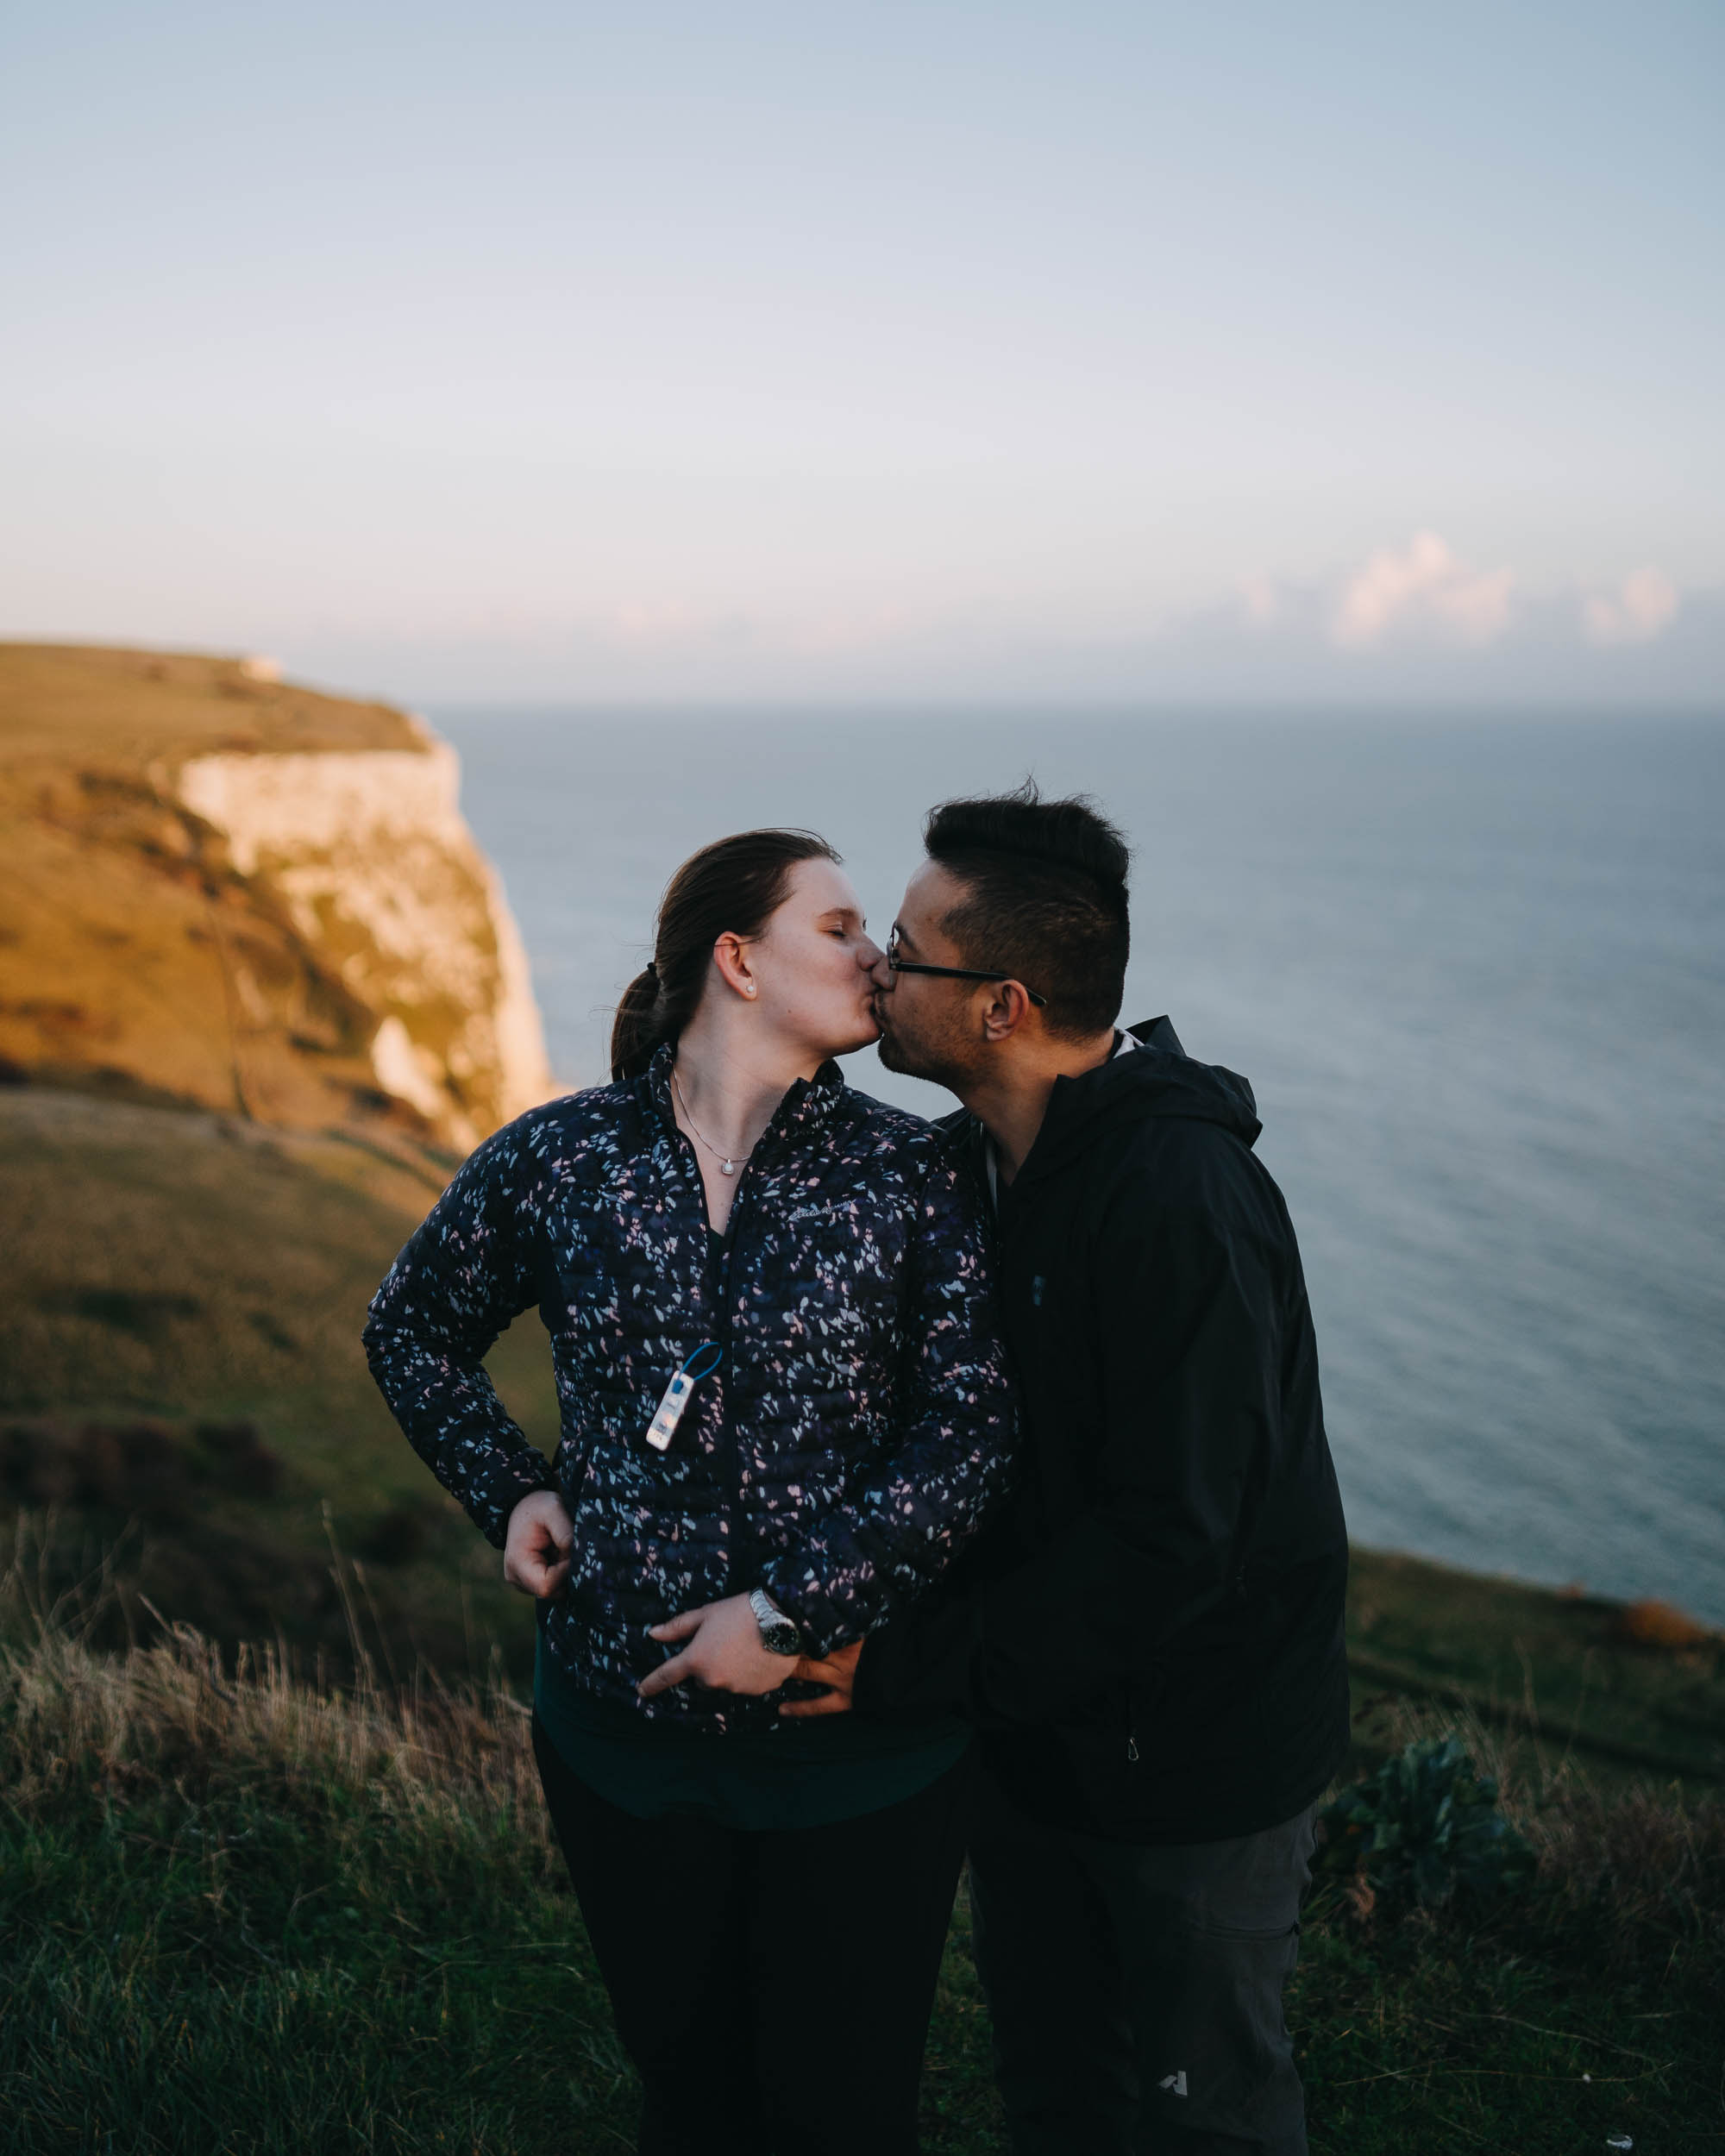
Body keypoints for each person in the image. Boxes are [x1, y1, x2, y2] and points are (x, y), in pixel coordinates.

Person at [362, 828, 1016, 2156]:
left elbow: (973, 1430)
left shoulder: (919, 1172)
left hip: (863, 1762)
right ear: (738, 960)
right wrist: (511, 1493)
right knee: (689, 2091)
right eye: (837, 928)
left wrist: (785, 1614)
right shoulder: (563, 1159)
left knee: (840, 2111)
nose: (877, 955)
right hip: (621, 1738)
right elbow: (410, 1328)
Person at [776, 785, 1351, 2156]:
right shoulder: (975, 1164)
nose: (878, 969)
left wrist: (904, 1672)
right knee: (1061, 2091)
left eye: (907, 950)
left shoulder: (1177, 1204)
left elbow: (1178, 1540)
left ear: (1002, 1006)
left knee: (1204, 2104)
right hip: (1034, 1729)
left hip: (1192, 1760)